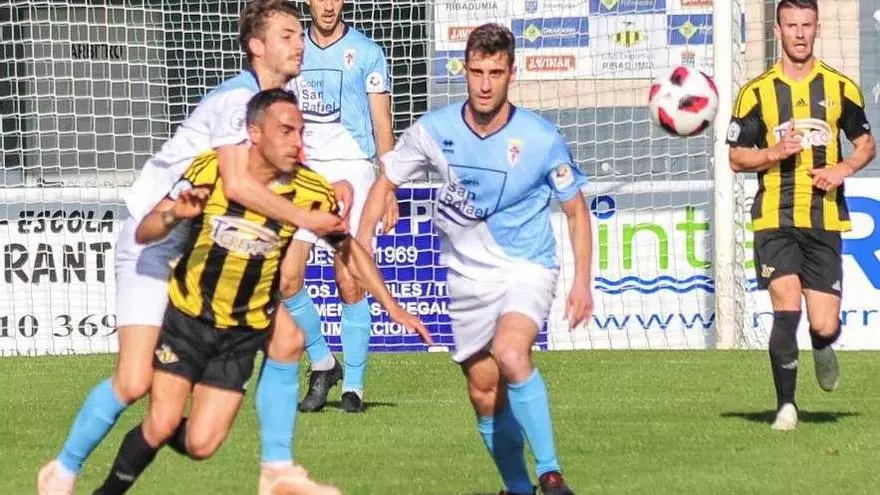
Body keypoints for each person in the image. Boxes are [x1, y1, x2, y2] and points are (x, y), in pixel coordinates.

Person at [37, 2, 351, 494]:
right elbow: (239, 184)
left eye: (299, 35)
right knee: (133, 382)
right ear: (257, 45)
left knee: (286, 339)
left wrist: (333, 188)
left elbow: (285, 172)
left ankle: (277, 469)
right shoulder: (236, 99)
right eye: (288, 35)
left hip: (204, 248)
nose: (300, 43)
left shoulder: (275, 102)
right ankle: (61, 471)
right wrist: (308, 218)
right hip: (155, 239)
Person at [91, 89, 430, 495]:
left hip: (240, 336)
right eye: (286, 131)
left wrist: (393, 306)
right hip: (189, 320)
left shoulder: (312, 190)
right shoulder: (212, 169)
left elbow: (349, 250)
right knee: (163, 421)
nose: (297, 142)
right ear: (254, 133)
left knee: (201, 444)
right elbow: (145, 231)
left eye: (301, 132)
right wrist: (174, 214)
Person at [357, 24, 592, 495]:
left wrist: (582, 280)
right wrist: (361, 244)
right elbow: (387, 181)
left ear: (511, 74)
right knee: (484, 393)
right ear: (463, 70)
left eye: (495, 73)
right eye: (477, 72)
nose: (485, 84)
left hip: (526, 266)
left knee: (511, 352)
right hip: (466, 279)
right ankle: (518, 488)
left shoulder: (541, 138)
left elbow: (576, 211)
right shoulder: (434, 130)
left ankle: (551, 476)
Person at [727, 0, 876, 431]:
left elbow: (866, 144)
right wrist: (774, 152)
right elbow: (736, 157)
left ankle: (822, 343)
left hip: (824, 218)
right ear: (778, 31)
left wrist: (843, 168)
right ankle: (786, 406)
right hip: (774, 217)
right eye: (791, 25)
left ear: (817, 28)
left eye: (806, 25)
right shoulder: (756, 93)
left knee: (824, 323)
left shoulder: (840, 87)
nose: (799, 33)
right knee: (786, 306)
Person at [282, 0, 398, 414]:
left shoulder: (367, 52)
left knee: (348, 280)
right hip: (307, 172)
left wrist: (388, 187)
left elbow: (382, 124)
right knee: (286, 278)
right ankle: (323, 362)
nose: (328, 6)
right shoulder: (292, 50)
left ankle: (354, 386)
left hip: (355, 167)